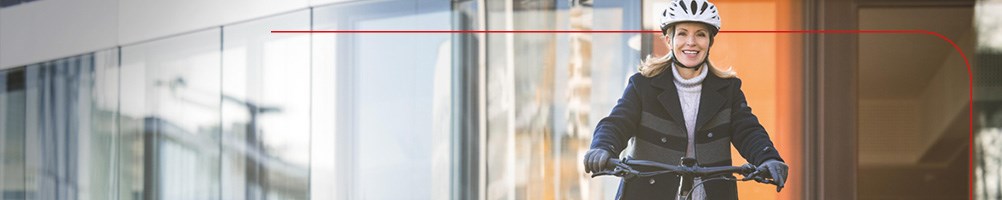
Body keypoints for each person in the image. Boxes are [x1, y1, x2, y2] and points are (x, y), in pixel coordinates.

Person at [582, 0, 788, 199]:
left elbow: (748, 130)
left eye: (700, 34)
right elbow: (617, 122)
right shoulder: (643, 85)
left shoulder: (728, 90)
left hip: (711, 193)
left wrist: (767, 157)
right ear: (669, 40)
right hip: (649, 193)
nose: (691, 42)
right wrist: (603, 148)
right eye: (682, 33)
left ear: (710, 42)